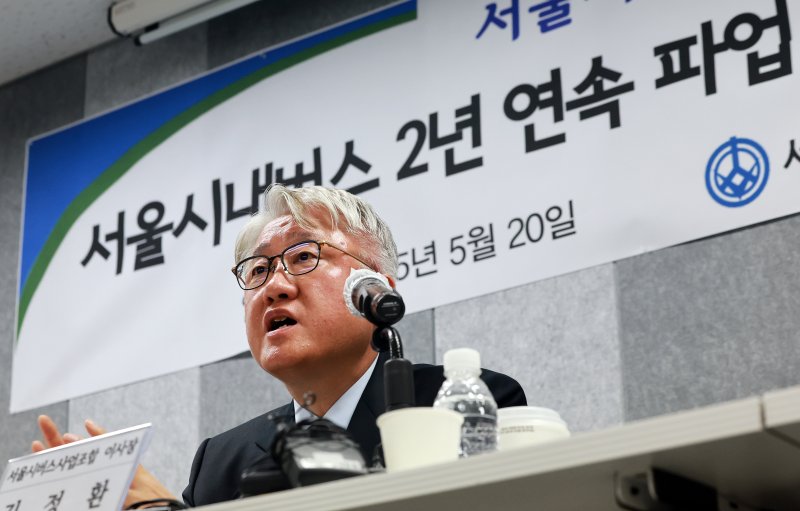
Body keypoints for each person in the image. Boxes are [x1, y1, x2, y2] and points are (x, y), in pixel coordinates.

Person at [33, 185, 526, 507]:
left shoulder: (467, 404)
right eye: (258, 270)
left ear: (377, 288)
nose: (274, 286)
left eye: (304, 256)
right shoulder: (220, 461)